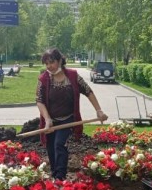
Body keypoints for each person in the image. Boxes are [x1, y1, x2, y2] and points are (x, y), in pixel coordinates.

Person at [36, 48, 108, 180]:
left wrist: (99, 110)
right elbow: (39, 101)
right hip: (50, 120)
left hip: (68, 119)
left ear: (59, 61)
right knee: (51, 148)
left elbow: (88, 91)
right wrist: (47, 119)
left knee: (59, 145)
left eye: (51, 62)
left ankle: (60, 177)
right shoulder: (43, 79)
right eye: (46, 63)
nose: (49, 66)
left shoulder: (73, 76)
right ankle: (54, 174)